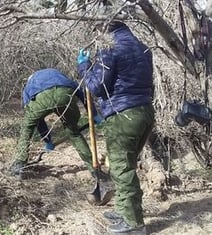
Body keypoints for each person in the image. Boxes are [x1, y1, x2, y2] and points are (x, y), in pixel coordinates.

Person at [76, 21, 155, 234]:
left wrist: (84, 67)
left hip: (123, 115)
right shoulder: (143, 47)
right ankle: (123, 211)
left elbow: (98, 87)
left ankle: (133, 224)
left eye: (97, 32)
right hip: (145, 111)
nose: (96, 37)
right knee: (125, 165)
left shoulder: (109, 48)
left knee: (122, 169)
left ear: (103, 29)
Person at [9, 68, 102, 180]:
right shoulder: (61, 77)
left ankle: (19, 163)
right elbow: (81, 93)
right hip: (64, 94)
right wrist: (94, 114)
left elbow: (38, 121)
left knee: (27, 128)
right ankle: (94, 169)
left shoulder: (29, 86)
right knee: (74, 133)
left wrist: (47, 140)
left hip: (40, 100)